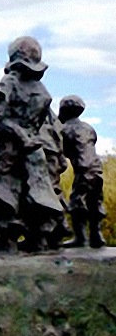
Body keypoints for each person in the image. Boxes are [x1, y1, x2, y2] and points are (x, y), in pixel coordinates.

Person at [0, 36, 64, 253]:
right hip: (34, 148)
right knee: (37, 189)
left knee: (2, 188)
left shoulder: (10, 82)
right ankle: (40, 239)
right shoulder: (43, 90)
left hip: (10, 147)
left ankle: (6, 241)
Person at [59, 95, 106, 248]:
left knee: (78, 202)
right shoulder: (88, 128)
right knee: (95, 201)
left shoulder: (65, 129)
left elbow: (64, 151)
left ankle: (81, 238)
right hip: (97, 169)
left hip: (83, 169)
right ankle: (96, 236)